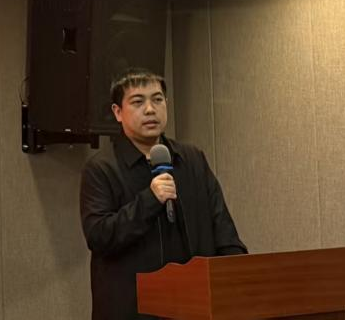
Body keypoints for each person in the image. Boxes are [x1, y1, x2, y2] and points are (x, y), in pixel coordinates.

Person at [80, 69, 247, 320]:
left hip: (194, 307)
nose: (150, 109)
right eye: (138, 102)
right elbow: (99, 236)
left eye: (157, 100)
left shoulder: (191, 159)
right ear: (117, 112)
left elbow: (222, 227)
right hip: (131, 310)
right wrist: (150, 200)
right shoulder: (101, 168)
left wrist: (239, 279)